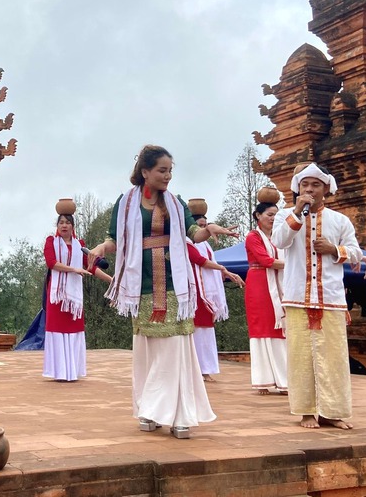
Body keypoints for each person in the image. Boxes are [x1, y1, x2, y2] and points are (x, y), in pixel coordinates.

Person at [89, 145, 237, 438]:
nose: (168, 176)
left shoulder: (175, 202)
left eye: (170, 170)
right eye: (162, 170)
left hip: (173, 284)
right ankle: (150, 409)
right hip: (139, 284)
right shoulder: (126, 202)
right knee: (148, 349)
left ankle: (179, 413)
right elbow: (114, 238)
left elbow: (193, 233)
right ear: (145, 172)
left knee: (173, 349)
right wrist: (101, 247)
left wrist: (211, 230)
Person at [271, 162, 362, 430]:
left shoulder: (339, 220)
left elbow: (356, 252)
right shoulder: (285, 215)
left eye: (315, 185)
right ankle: (307, 412)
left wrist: (334, 249)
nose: (309, 189)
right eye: (304, 185)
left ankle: (332, 412)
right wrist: (297, 214)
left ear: (326, 189)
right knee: (301, 357)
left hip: (331, 299)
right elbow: (279, 241)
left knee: (333, 357)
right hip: (298, 297)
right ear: (297, 189)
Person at [43, 203, 112, 381]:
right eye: (61, 223)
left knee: (74, 329)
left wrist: (111, 280)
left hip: (74, 299)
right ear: (57, 226)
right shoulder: (51, 242)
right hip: (57, 295)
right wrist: (74, 270)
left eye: (67, 222)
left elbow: (91, 267)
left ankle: (72, 371)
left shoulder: (80, 245)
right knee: (57, 329)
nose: (64, 225)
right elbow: (52, 263)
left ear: (73, 226)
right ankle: (59, 372)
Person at [186, 217, 244, 382]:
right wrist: (223, 269)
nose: (203, 228)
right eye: (200, 225)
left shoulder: (205, 244)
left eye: (205, 225)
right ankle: (197, 370)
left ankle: (204, 369)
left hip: (204, 290)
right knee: (196, 327)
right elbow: (199, 260)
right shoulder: (184, 241)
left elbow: (209, 262)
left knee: (205, 328)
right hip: (193, 288)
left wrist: (223, 272)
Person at [244, 201, 288, 395]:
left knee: (280, 328)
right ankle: (264, 379)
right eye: (269, 214)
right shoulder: (253, 237)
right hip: (259, 284)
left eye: (275, 215)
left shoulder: (279, 238)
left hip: (278, 284)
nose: (273, 218)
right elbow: (265, 261)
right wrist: (294, 265)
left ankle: (283, 379)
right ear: (258, 215)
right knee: (263, 329)